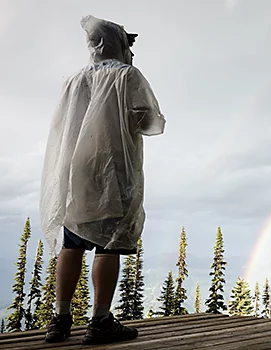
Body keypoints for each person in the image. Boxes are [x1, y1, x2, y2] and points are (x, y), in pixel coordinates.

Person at [39, 15, 165, 345]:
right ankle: (99, 321)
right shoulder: (127, 76)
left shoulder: (75, 80)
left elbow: (61, 127)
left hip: (76, 171)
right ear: (117, 44)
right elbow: (150, 121)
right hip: (112, 168)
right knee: (110, 242)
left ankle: (60, 319)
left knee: (73, 240)